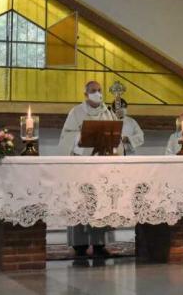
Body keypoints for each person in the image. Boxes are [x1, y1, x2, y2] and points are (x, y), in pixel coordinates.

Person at [58, 80, 116, 257]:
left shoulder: (108, 113)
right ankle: (79, 245)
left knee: (101, 203)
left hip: (102, 166)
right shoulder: (76, 112)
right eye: (93, 91)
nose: (97, 93)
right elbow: (66, 136)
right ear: (85, 94)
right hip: (82, 166)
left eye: (99, 90)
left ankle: (100, 245)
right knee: (80, 202)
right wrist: (82, 137)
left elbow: (116, 134)